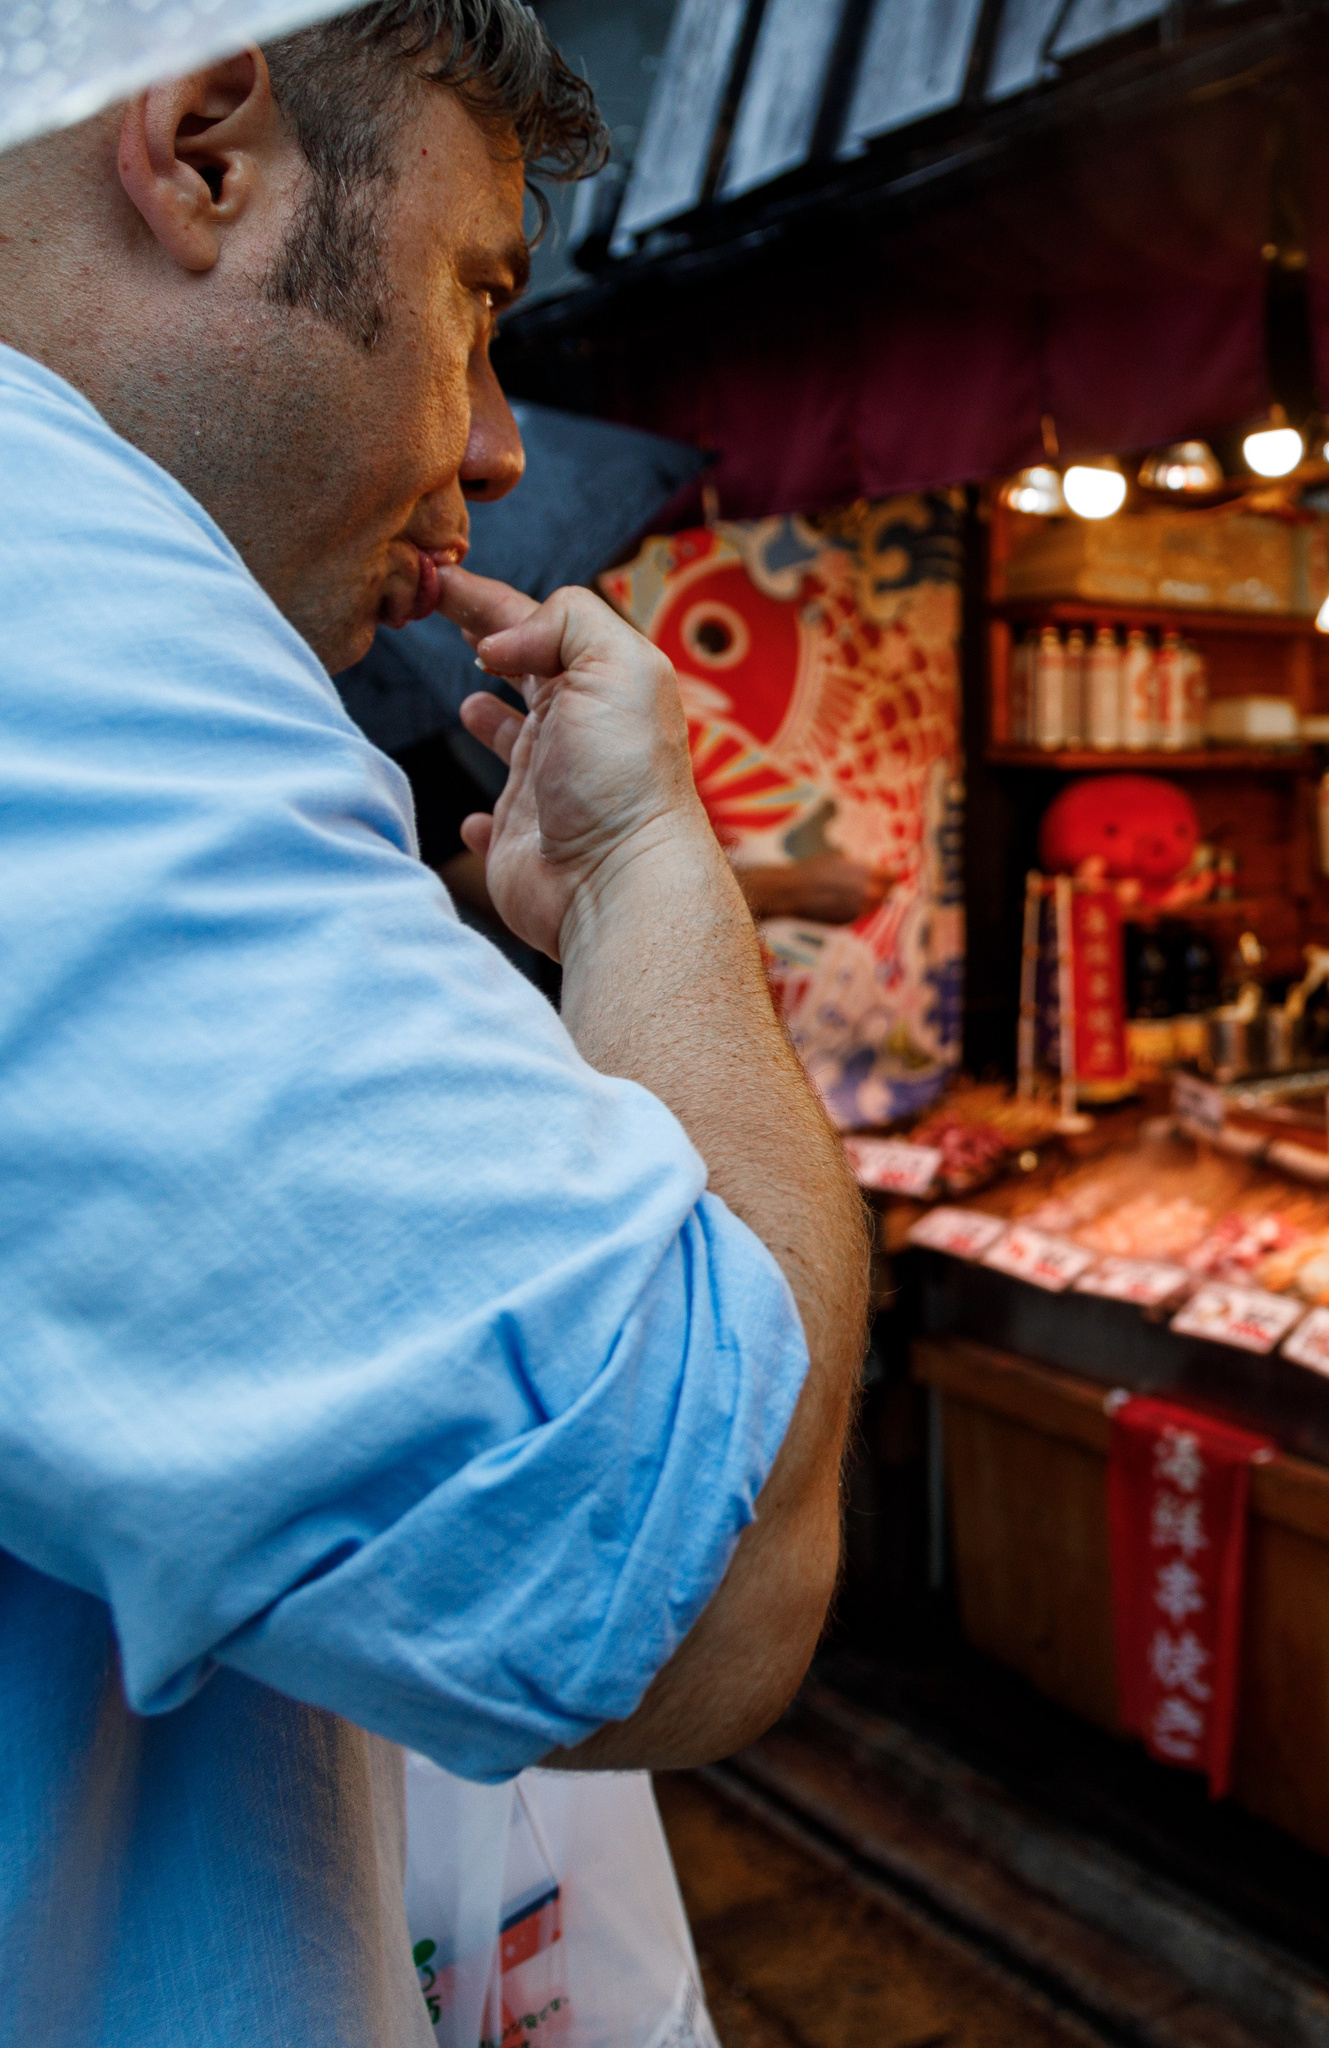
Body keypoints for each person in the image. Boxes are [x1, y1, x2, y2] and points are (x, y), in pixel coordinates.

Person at [0, 8, 866, 2044]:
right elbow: (703, 1573)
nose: (494, 441)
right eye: (474, 297)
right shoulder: (49, 615)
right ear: (206, 150)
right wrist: (652, 860)